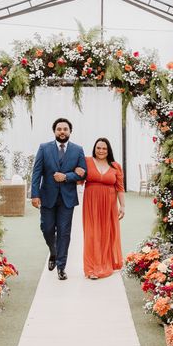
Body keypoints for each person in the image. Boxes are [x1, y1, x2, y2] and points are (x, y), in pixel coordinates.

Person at [31, 118, 87, 281]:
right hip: (47, 196)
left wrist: (67, 176)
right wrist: (34, 194)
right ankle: (53, 252)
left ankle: (61, 267)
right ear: (54, 131)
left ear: (70, 131)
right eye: (59, 129)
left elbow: (84, 173)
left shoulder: (78, 150)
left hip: (67, 199)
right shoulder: (44, 148)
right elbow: (37, 173)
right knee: (46, 228)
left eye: (65, 129)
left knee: (64, 233)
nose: (62, 132)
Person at [81, 138, 124, 280]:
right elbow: (79, 180)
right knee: (92, 234)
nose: (101, 151)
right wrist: (77, 171)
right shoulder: (87, 161)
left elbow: (120, 188)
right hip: (91, 203)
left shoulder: (115, 166)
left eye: (104, 148)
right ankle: (91, 269)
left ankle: (106, 263)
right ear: (94, 148)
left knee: (107, 233)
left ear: (108, 150)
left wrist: (122, 206)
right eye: (98, 148)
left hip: (109, 204)